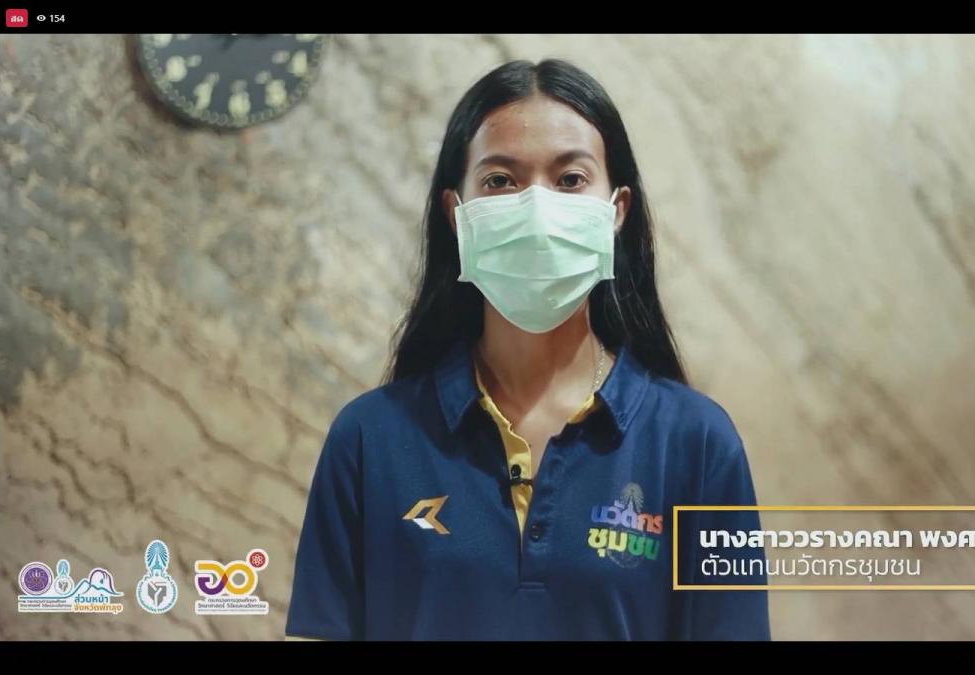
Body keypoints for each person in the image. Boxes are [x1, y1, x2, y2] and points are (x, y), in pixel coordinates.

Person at [285, 58, 769, 640]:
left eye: (570, 179)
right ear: (456, 214)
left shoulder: (696, 443)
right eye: (500, 181)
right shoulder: (370, 438)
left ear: (616, 211)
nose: (538, 209)